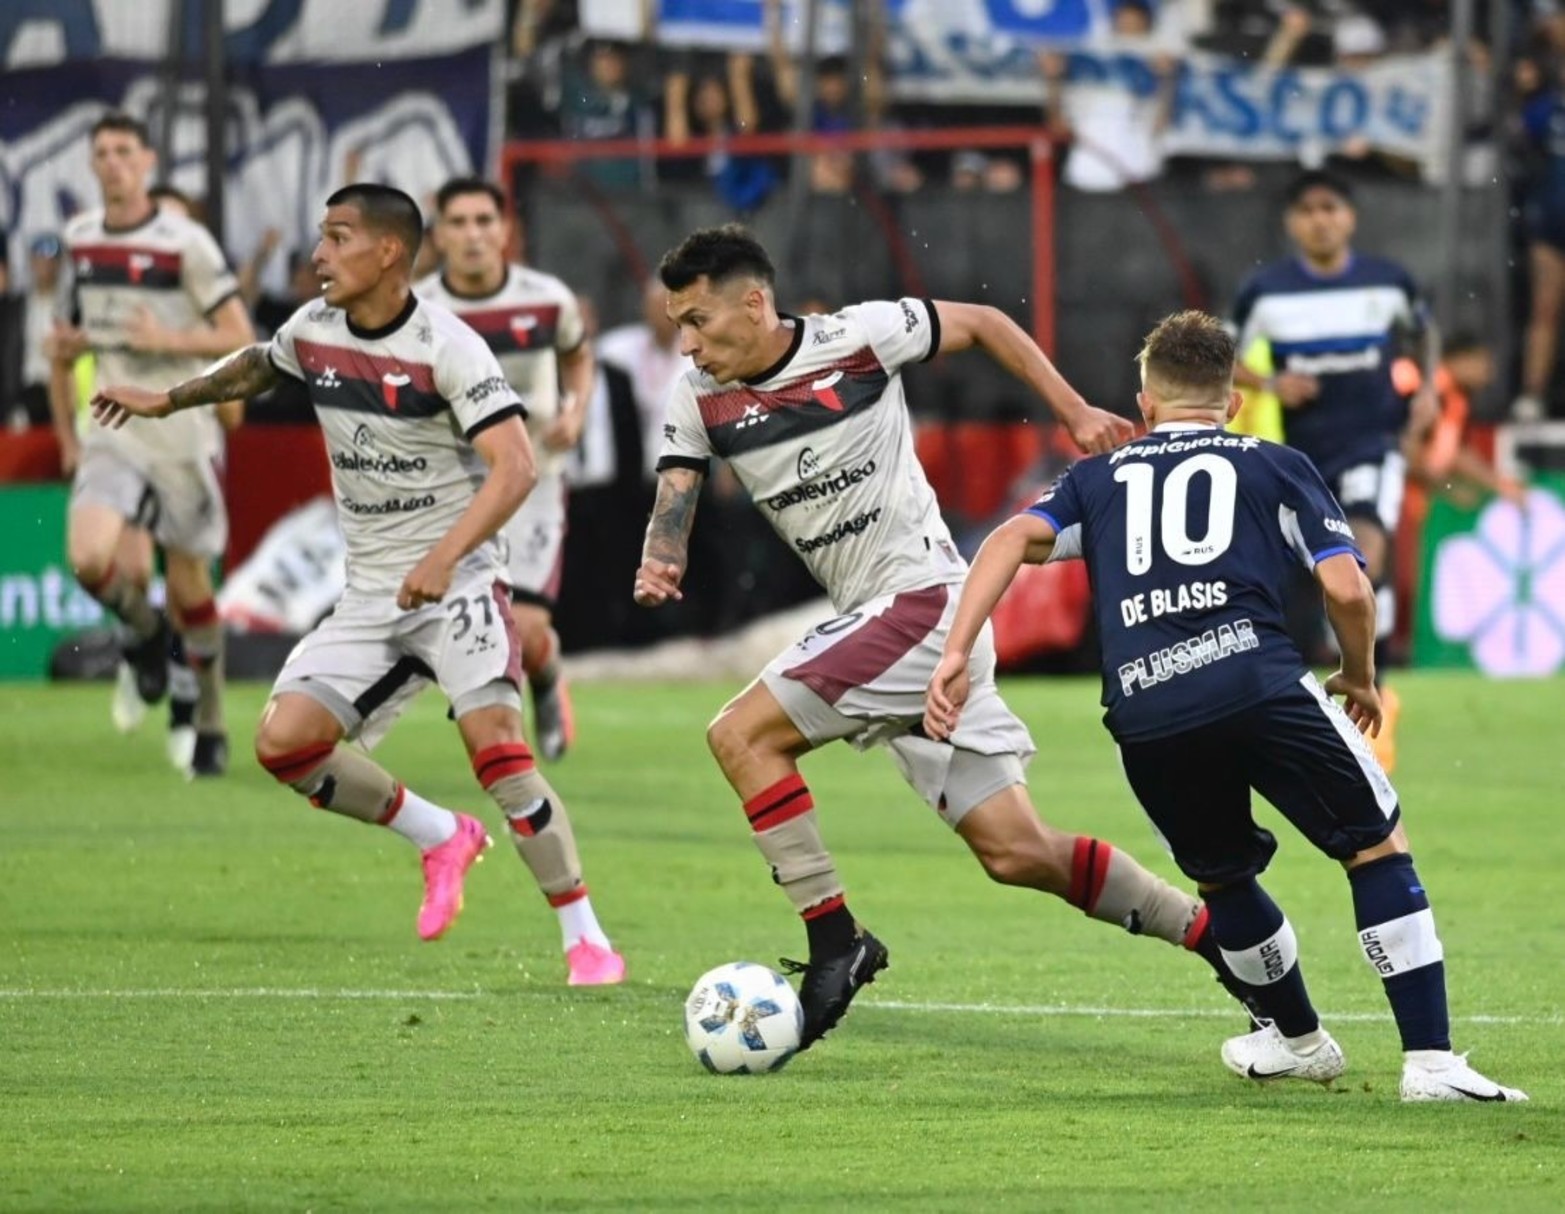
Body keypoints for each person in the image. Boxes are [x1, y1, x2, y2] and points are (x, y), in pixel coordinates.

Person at [634, 224, 1256, 1051]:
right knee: (1017, 851)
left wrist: (1071, 411)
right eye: (678, 325)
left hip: (919, 606)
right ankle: (1231, 946)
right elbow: (676, 488)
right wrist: (660, 553)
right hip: (886, 625)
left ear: (754, 302)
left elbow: (987, 324)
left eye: (699, 322)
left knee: (739, 736)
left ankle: (835, 942)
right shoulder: (696, 394)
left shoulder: (856, 338)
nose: (687, 343)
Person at [927, 310, 1526, 1103]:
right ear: (1231, 403)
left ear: (1143, 405)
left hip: (1145, 710)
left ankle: (1298, 1040)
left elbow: (1006, 539)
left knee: (1223, 877)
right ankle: (1431, 1063)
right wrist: (1358, 675)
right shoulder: (1273, 464)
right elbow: (1346, 585)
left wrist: (957, 652)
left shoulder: (1095, 480)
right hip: (1257, 683)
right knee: (1374, 848)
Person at [91, 184, 626, 986]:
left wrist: (445, 558)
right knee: (283, 743)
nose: (318, 254)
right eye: (320, 237)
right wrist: (167, 399)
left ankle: (585, 937)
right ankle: (440, 835)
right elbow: (257, 366)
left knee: (499, 755)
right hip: (373, 593)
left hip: (462, 584)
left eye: (337, 238)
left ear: (387, 253)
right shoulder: (314, 328)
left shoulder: (449, 346)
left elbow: (515, 468)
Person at [50, 113, 255, 776]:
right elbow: (63, 340)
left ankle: (210, 716)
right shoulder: (79, 239)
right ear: (93, 164)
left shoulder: (185, 242)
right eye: (101, 152)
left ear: (146, 160)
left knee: (190, 581)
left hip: (179, 426)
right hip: (111, 425)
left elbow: (238, 333)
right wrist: (64, 429)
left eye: (123, 151)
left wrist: (167, 343)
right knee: (90, 560)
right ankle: (146, 638)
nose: (112, 162)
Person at [1230, 169, 1437, 772]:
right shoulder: (1265, 291)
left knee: (1361, 554)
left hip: (1373, 443)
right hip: (1303, 458)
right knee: (1307, 577)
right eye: (1308, 210)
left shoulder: (1388, 280)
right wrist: (1271, 382)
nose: (1321, 220)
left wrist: (1423, 393)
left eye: (1331, 208)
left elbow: (1425, 333)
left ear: (1350, 216)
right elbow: (1221, 356)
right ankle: (1310, 705)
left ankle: (1378, 696)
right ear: (1293, 222)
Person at [416, 178, 595, 765]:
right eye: (459, 223)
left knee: (528, 629)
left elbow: (576, 352)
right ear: (438, 235)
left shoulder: (545, 299)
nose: (473, 235)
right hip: (455, 490)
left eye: (483, 221)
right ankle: (506, 756)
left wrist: (576, 407)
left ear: (505, 229)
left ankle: (545, 678)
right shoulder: (417, 311)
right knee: (474, 625)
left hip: (535, 479)